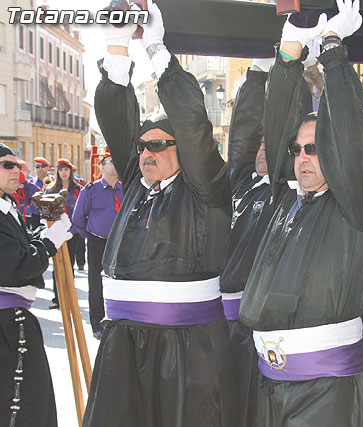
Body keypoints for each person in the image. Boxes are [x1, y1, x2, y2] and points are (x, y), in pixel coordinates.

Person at [83, 2, 235, 425]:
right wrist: (115, 47)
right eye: (142, 145)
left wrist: (155, 49)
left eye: (158, 145)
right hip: (123, 348)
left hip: (185, 352)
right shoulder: (137, 183)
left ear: (182, 152)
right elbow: (116, 122)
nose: (146, 153)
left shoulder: (204, 190)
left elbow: (192, 124)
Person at [238, 1, 363, 425]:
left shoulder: (352, 204)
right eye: (298, 149)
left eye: (315, 148)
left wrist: (333, 50)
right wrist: (289, 55)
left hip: (325, 389)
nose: (302, 157)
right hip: (270, 380)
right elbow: (277, 124)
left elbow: (353, 135)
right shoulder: (289, 199)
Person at [0, 142, 72, 427]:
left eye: (17, 165)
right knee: (19, 405)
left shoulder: (7, 205)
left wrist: (46, 229)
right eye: (7, 164)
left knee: (31, 399)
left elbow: (22, 246)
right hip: (6, 321)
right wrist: (49, 243)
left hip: (13, 318)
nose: (16, 170)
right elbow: (14, 264)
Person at [220, 57, 275, 427]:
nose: (259, 151)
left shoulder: (285, 196)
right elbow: (239, 138)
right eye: (259, 144)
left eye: (269, 145)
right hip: (223, 321)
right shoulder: (243, 186)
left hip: (256, 324)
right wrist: (256, 75)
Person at [71, 153, 124, 340]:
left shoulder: (123, 189)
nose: (115, 166)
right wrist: (90, 236)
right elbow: (78, 218)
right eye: (111, 162)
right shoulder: (91, 189)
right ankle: (97, 323)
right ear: (102, 167)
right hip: (97, 241)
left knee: (118, 280)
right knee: (96, 283)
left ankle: (116, 318)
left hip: (118, 242)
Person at [45, 158, 82, 310]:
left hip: (72, 232)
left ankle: (68, 295)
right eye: (60, 170)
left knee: (69, 264)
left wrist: (73, 231)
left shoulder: (78, 189)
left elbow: (80, 213)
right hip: (56, 232)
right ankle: (57, 297)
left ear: (70, 171)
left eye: (66, 169)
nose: (63, 173)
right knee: (57, 264)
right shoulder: (50, 190)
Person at [27, 157, 51, 229]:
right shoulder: (30, 183)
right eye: (37, 167)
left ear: (47, 168)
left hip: (51, 215)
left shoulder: (54, 181)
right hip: (36, 216)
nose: (40, 169)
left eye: (43, 166)